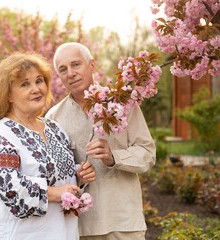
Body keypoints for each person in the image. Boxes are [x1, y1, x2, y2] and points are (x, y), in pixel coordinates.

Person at [45, 42, 156, 240]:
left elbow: (148, 154)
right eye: (63, 69)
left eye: (76, 64)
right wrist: (76, 173)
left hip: (123, 222)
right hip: (80, 226)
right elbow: (50, 172)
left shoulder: (122, 103)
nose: (70, 73)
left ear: (93, 65)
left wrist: (114, 157)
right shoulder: (53, 118)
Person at [0, 52, 96, 240]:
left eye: (39, 81)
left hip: (64, 232)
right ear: (8, 94)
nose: (36, 89)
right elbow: (7, 188)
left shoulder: (54, 128)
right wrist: (54, 193)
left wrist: (78, 175)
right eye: (25, 84)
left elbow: (58, 175)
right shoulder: (2, 132)